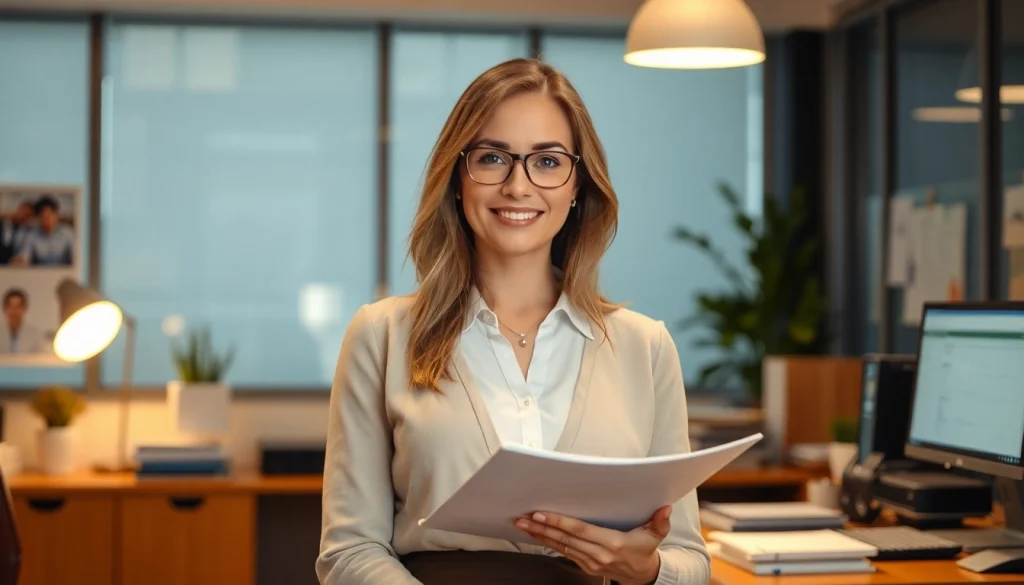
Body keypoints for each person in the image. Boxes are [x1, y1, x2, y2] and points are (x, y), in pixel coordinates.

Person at [317, 58, 709, 585]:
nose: (518, 186)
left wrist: (648, 570)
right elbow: (349, 552)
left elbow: (690, 559)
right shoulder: (382, 335)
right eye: (493, 157)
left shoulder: (646, 346)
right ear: (458, 177)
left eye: (547, 162)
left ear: (577, 185)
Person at [11, 196, 74, 267]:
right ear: (39, 217)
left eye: (50, 214)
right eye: (43, 216)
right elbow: (25, 256)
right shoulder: (32, 235)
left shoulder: (68, 233)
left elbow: (76, 257)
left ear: (57, 215)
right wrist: (20, 260)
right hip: (39, 275)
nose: (47, 219)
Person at [0, 288, 46, 354]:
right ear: (4, 309)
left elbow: (41, 357)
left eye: (18, 307)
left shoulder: (35, 334)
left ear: (25, 309)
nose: (14, 311)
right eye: (11, 306)